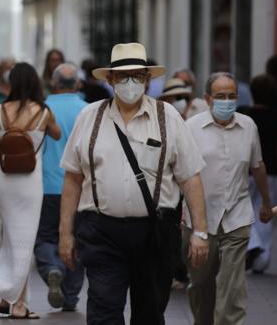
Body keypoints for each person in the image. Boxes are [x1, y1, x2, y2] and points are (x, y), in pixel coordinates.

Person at [59, 43, 209, 325]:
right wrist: (65, 235)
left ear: (148, 80)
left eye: (138, 76)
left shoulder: (168, 118)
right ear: (110, 79)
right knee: (103, 313)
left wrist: (200, 231)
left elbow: (190, 177)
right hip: (101, 230)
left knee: (150, 315)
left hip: (155, 232)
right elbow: (73, 179)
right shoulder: (89, 117)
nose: (131, 82)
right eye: (123, 76)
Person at [183, 72, 273, 325]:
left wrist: (265, 202)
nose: (226, 101)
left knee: (231, 285)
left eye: (231, 96)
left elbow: (257, 166)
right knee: (201, 285)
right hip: (199, 221)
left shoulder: (248, 126)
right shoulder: (191, 128)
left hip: (237, 216)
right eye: (220, 96)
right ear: (208, 99)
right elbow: (181, 172)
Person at [0, 62, 61, 319]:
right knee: (24, 242)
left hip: (4, 180)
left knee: (11, 240)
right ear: (36, 82)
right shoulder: (44, 113)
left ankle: (6, 299)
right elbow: (56, 135)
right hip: (29, 184)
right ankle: (20, 305)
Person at [34, 63, 87, 312]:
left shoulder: (42, 110)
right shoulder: (88, 111)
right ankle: (71, 296)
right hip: (79, 189)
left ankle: (52, 267)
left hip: (46, 186)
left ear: (53, 83)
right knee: (76, 239)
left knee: (45, 237)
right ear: (77, 84)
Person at [238, 74, 277, 273]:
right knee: (265, 211)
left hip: (244, 169)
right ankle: (262, 258)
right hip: (270, 170)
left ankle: (252, 244)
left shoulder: (243, 115)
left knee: (242, 207)